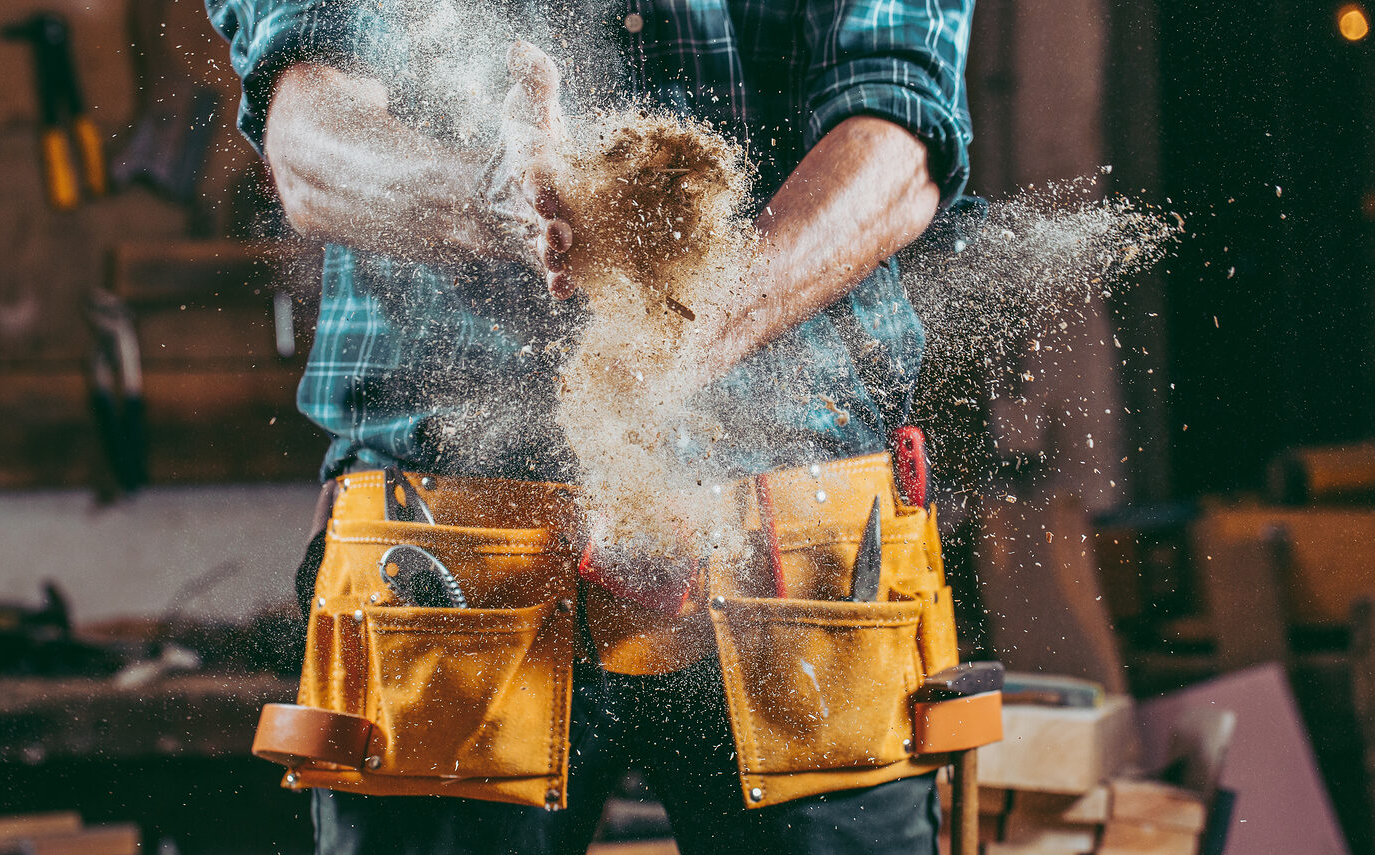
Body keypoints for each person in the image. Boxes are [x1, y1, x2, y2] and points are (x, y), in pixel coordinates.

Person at [206, 1, 974, 853]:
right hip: (449, 544)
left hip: (804, 544)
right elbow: (308, 135)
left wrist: (702, 317)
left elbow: (901, 125)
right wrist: (481, 200)